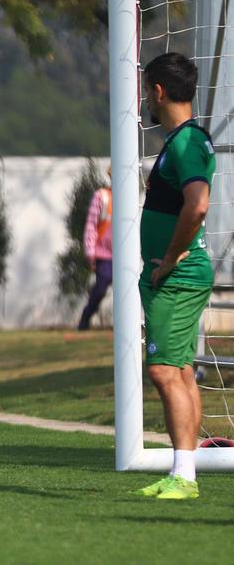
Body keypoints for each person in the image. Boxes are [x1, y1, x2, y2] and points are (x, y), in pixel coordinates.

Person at [133, 53, 215, 500]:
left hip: (179, 276)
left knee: (164, 371)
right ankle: (184, 471)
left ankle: (184, 475)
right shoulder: (182, 140)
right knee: (180, 370)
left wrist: (170, 257)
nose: (147, 98)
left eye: (148, 90)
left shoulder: (186, 142)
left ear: (158, 91)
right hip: (176, 276)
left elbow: (197, 204)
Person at [77, 176, 112, 330]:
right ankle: (86, 317)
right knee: (101, 287)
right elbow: (91, 225)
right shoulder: (102, 196)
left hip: (126, 255)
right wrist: (90, 251)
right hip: (104, 254)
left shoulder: (133, 196)